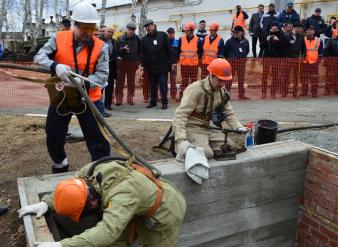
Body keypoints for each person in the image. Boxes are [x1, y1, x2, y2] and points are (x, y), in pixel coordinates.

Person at [19, 158, 186, 247]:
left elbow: (107, 232)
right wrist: (46, 203)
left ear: (90, 202)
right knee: (114, 243)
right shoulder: (91, 174)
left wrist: (62, 245)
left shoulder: (122, 195)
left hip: (166, 212)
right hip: (137, 205)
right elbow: (71, 183)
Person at [33, 1, 110, 173]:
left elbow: (102, 76)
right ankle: (60, 163)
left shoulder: (101, 47)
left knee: (98, 140)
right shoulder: (59, 38)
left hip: (89, 98)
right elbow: (39, 57)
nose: (89, 33)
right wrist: (55, 67)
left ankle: (102, 172)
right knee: (53, 134)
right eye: (85, 28)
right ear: (75, 25)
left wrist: (82, 82)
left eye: (92, 28)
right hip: (62, 97)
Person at [172, 58, 246, 160]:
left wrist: (238, 127)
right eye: (220, 80)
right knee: (206, 154)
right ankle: (181, 149)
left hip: (207, 127)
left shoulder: (221, 91)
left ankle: (203, 144)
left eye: (224, 81)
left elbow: (229, 113)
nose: (222, 84)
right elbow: (180, 115)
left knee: (230, 148)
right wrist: (180, 140)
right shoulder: (195, 89)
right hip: (191, 127)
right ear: (211, 75)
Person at [141, 20, 175, 110]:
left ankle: (164, 103)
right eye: (146, 27)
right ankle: (153, 102)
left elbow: (169, 49)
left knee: (163, 85)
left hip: (162, 66)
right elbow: (143, 53)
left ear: (153, 26)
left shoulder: (162, 35)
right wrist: (144, 64)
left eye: (149, 26)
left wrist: (172, 61)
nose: (147, 28)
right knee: (153, 86)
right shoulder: (144, 39)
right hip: (151, 67)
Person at [260, 21, 289, 98]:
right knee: (264, 76)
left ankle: (273, 93)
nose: (274, 27)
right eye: (273, 26)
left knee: (275, 76)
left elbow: (285, 46)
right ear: (270, 27)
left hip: (277, 58)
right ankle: (264, 93)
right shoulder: (266, 33)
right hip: (267, 58)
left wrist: (278, 40)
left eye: (276, 26)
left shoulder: (282, 34)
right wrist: (266, 40)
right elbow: (261, 46)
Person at [116, 22, 141, 105]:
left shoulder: (138, 39)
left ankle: (130, 98)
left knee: (131, 82)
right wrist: (122, 49)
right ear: (127, 29)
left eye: (133, 30)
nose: (131, 31)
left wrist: (138, 61)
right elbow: (116, 51)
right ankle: (119, 98)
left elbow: (141, 51)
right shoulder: (120, 38)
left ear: (135, 30)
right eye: (129, 29)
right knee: (120, 82)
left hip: (132, 63)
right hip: (122, 63)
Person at [177, 22, 203, 101]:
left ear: (192, 31)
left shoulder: (198, 40)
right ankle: (183, 96)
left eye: (187, 31)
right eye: (185, 31)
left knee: (194, 82)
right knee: (184, 81)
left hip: (193, 64)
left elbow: (200, 52)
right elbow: (178, 50)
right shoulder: (181, 39)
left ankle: (194, 97)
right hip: (184, 64)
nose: (186, 32)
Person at [224, 25, 249, 99]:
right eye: (234, 32)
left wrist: (242, 56)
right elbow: (225, 52)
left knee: (241, 79)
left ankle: (241, 95)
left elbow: (247, 51)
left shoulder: (245, 41)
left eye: (237, 32)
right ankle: (226, 95)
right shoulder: (229, 41)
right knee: (229, 80)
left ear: (242, 32)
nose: (235, 33)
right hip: (231, 63)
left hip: (241, 63)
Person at [283, 22, 306, 97]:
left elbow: (303, 49)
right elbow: (284, 48)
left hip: (297, 60)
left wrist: (302, 56)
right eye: (300, 29)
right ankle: (284, 92)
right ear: (296, 28)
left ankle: (295, 93)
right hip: (288, 59)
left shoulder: (301, 37)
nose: (301, 30)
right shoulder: (286, 36)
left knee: (296, 77)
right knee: (286, 76)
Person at [301, 26, 323, 97]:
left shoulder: (319, 40)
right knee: (304, 78)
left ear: (314, 31)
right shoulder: (303, 39)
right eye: (307, 30)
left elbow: (321, 53)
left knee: (314, 78)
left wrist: (318, 62)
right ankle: (304, 92)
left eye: (310, 30)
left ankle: (314, 92)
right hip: (304, 62)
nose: (308, 31)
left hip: (314, 63)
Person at [101, 27, 118, 112]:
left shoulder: (115, 42)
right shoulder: (99, 40)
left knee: (110, 87)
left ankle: (108, 105)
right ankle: (98, 104)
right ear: (105, 32)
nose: (110, 33)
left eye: (112, 32)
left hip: (111, 67)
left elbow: (117, 52)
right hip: (100, 67)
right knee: (99, 87)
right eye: (109, 32)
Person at [167, 27, 179, 100]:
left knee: (173, 80)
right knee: (163, 80)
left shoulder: (177, 42)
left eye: (171, 33)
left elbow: (178, 53)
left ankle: (173, 95)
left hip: (173, 64)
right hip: (165, 64)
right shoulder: (164, 42)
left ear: (174, 33)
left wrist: (176, 62)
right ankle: (163, 94)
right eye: (168, 33)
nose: (169, 34)